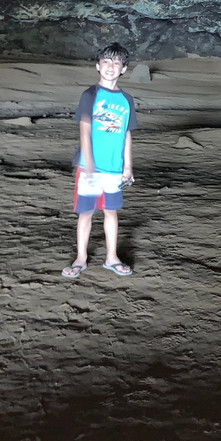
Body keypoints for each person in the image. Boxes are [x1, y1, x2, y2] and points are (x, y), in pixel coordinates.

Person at [61, 42, 137, 279]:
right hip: (89, 167)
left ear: (123, 69)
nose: (110, 66)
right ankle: (81, 258)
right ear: (98, 66)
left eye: (116, 63)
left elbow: (126, 133)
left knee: (111, 212)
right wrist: (90, 166)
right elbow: (84, 131)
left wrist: (127, 165)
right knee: (86, 212)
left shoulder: (127, 101)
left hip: (114, 168)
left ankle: (111, 257)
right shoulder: (90, 95)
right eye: (106, 61)